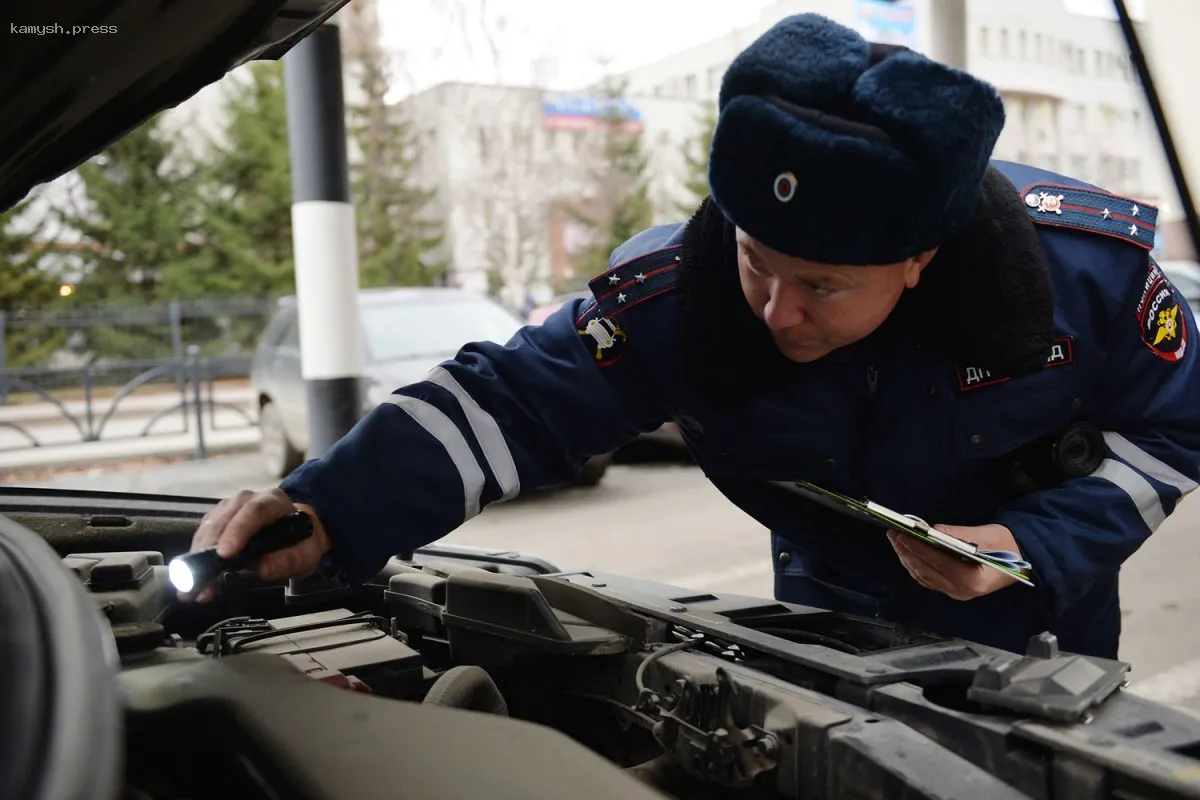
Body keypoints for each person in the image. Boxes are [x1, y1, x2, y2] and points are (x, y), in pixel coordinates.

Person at [183, 13, 1200, 660]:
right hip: (829, 635)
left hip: (1046, 639)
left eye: (822, 283)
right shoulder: (683, 293)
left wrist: (1032, 546)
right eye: (757, 257)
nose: (774, 309)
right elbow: (511, 401)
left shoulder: (1088, 277)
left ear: (920, 258)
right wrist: (326, 507)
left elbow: (1175, 434)